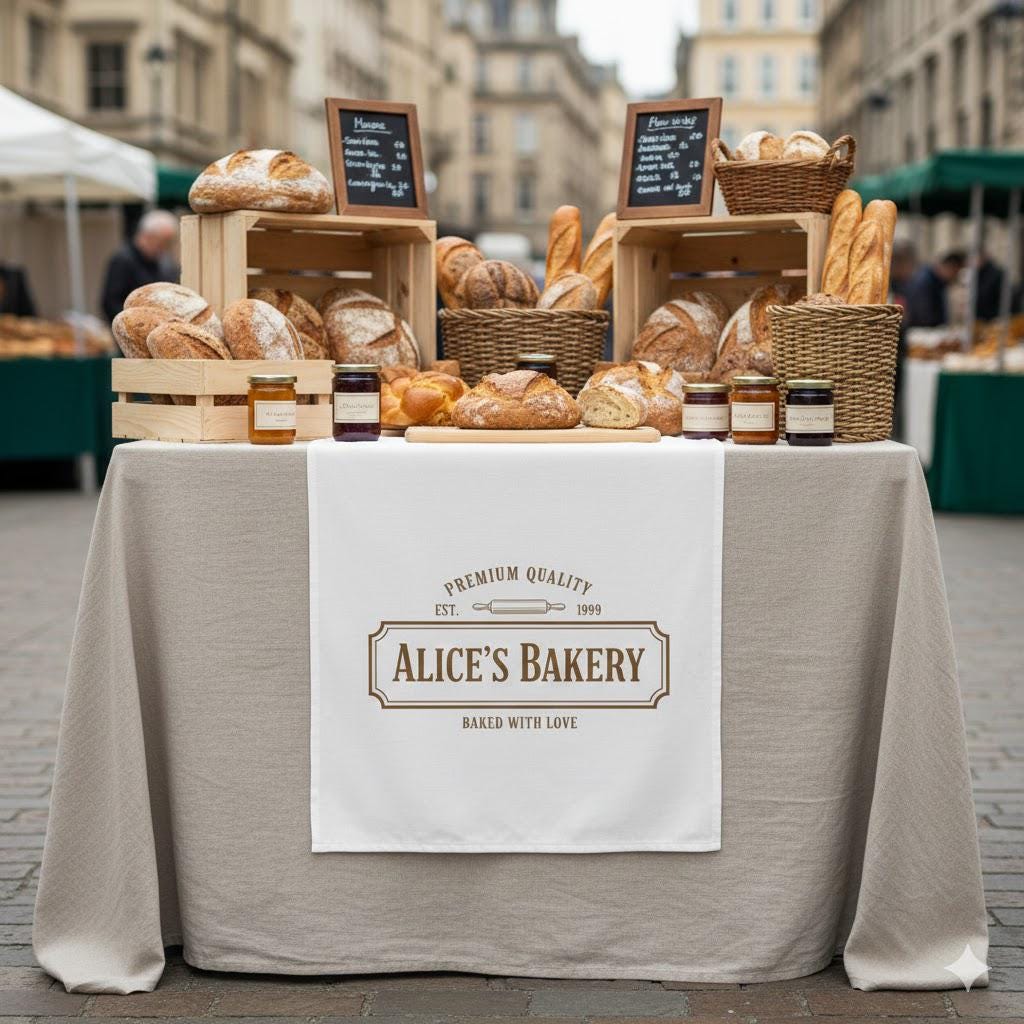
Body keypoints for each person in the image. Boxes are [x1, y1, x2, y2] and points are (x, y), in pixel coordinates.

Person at [100, 209, 179, 322]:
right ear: (148, 236)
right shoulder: (123, 260)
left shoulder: (163, 262)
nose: (164, 248)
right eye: (163, 242)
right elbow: (110, 303)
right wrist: (133, 324)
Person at [903, 250, 965, 328]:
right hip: (923, 333)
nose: (955, 277)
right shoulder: (925, 281)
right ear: (950, 267)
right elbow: (922, 315)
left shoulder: (937, 281)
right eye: (956, 273)